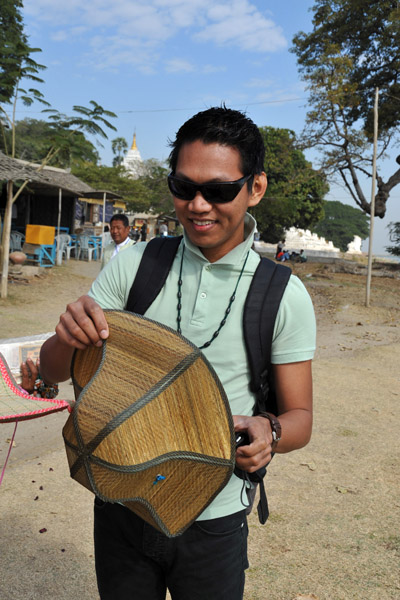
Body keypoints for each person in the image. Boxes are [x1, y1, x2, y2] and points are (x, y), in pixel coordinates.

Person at [40, 106, 316, 600]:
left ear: (255, 188)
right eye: (183, 187)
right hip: (121, 497)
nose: (198, 205)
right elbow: (54, 370)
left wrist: (269, 430)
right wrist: (66, 336)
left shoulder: (282, 294)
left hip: (214, 517)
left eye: (218, 190)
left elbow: (300, 418)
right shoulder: (137, 266)